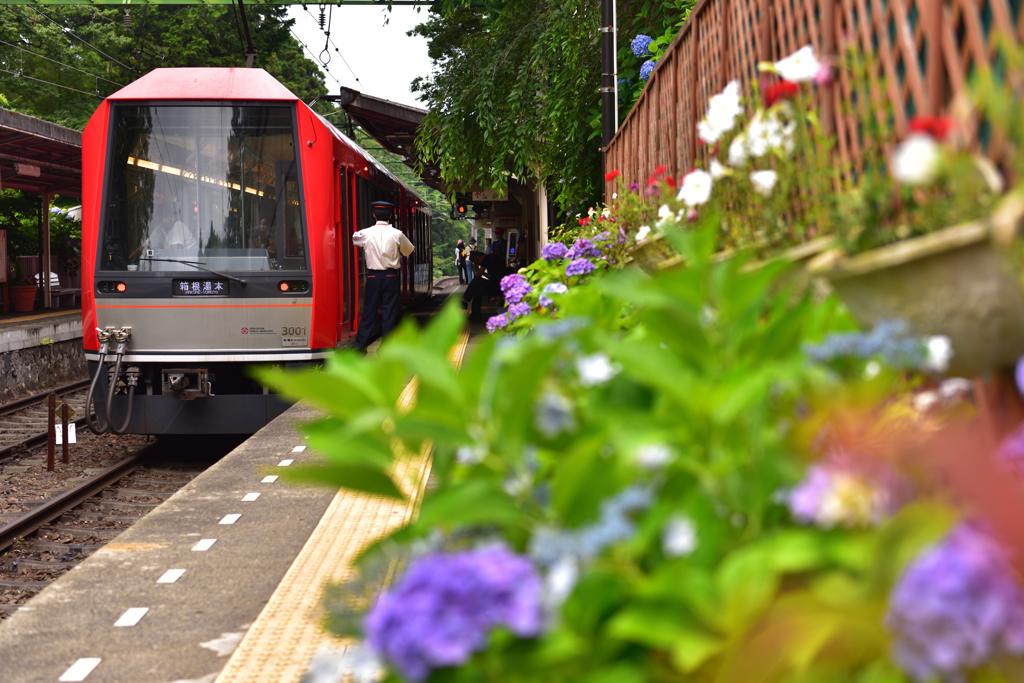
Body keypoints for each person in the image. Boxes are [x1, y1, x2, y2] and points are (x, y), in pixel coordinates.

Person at [352, 201, 414, 353]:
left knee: (369, 312)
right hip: (391, 276)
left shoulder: (363, 233)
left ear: (373, 214)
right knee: (389, 312)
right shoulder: (397, 234)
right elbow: (408, 251)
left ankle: (360, 347)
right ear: (391, 215)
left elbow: (355, 241)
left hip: (373, 277)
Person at [131, 206, 197, 261]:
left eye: (172, 216)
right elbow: (144, 246)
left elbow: (172, 253)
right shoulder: (160, 229)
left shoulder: (178, 226)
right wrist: (129, 259)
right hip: (178, 264)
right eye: (166, 216)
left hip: (191, 264)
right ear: (161, 219)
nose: (170, 219)